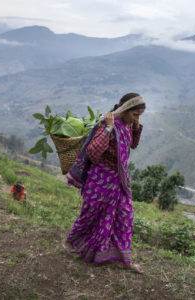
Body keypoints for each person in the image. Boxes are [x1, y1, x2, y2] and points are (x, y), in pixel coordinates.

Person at [64, 93, 146, 273]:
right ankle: (73, 243)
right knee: (91, 215)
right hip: (100, 181)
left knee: (124, 217)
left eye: (139, 115)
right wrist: (108, 129)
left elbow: (133, 145)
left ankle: (124, 259)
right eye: (135, 115)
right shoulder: (109, 125)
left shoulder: (128, 125)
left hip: (119, 182)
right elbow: (93, 152)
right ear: (125, 110)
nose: (136, 119)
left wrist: (137, 126)